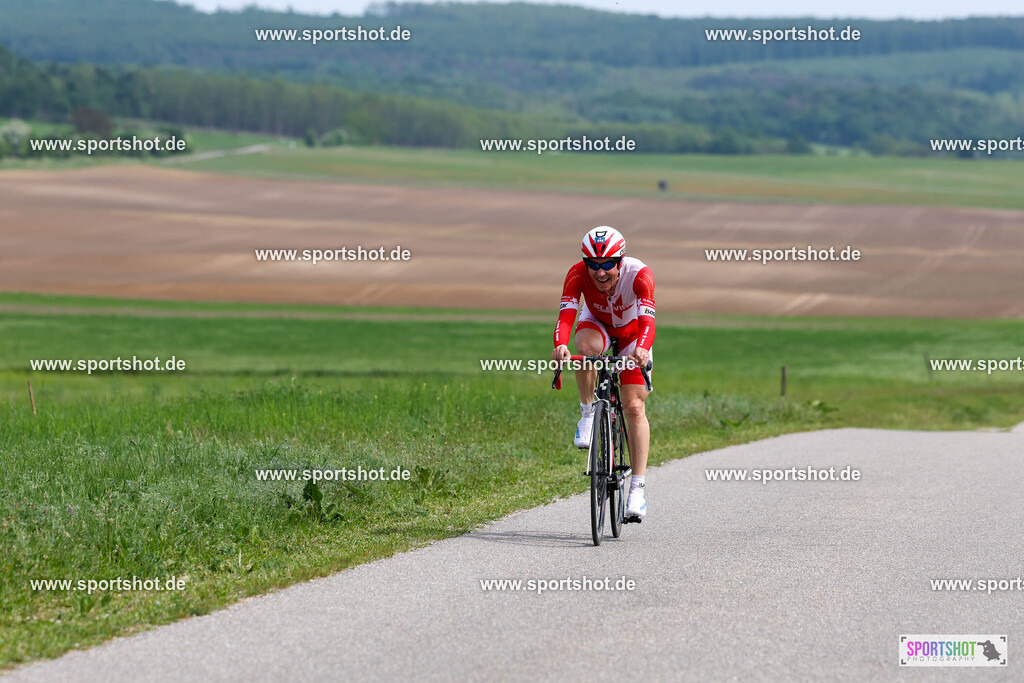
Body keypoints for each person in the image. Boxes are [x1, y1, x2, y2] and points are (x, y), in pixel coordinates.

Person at [551, 226, 655, 521]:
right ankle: (587, 414)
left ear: (619, 261)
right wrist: (560, 345)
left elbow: (648, 320)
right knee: (583, 348)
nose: (600, 273)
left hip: (633, 336)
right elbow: (567, 314)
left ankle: (637, 490)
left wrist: (643, 349)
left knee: (634, 406)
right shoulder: (575, 274)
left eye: (607, 264)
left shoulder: (640, 274)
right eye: (593, 265)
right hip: (596, 325)